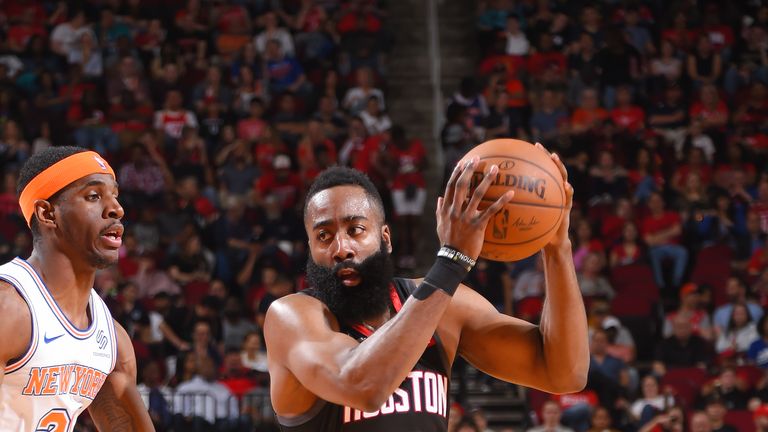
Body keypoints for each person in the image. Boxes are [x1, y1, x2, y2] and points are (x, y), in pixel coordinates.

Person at [264, 144, 589, 430]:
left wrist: (557, 247)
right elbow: (362, 386)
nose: (341, 248)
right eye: (324, 236)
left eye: (356, 229)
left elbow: (563, 372)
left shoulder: (444, 306)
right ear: (310, 249)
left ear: (385, 239)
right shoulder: (293, 318)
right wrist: (451, 261)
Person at [0, 146, 153, 430]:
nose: (116, 209)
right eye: (93, 196)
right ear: (47, 213)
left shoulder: (112, 342)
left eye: (115, 196)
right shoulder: (9, 308)